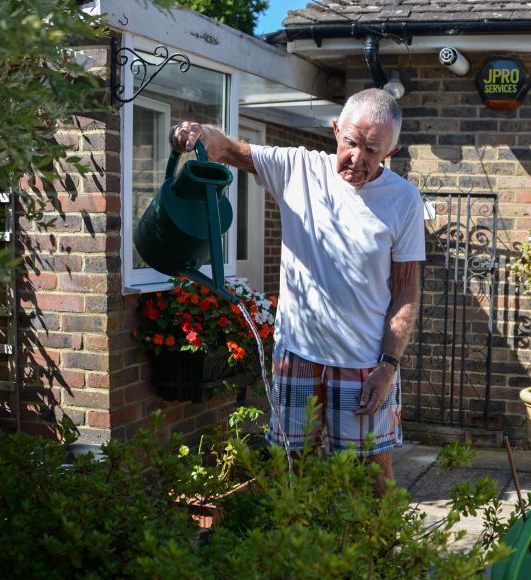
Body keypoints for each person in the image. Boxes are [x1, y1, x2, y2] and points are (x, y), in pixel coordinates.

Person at [170, 88, 425, 491]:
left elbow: (406, 290)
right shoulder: (298, 169)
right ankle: (296, 549)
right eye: (351, 142)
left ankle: (382, 551)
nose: (358, 159)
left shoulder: (404, 200)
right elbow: (232, 150)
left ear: (391, 153)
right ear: (336, 130)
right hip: (297, 354)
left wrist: (387, 366)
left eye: (373, 151)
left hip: (363, 363)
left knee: (374, 474)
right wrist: (198, 134)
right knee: (293, 469)